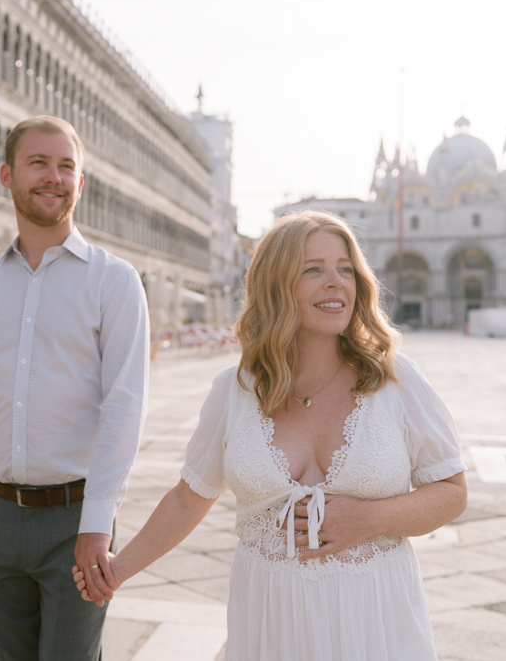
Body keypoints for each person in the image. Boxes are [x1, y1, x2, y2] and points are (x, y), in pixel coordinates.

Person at [74, 210, 468, 660]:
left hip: (374, 618)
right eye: (313, 270)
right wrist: (118, 570)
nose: (336, 282)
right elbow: (189, 498)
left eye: (346, 269)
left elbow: (452, 492)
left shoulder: (395, 380)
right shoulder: (234, 390)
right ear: (276, 285)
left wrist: (370, 519)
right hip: (269, 621)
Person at [0, 115, 150, 660]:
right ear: (6, 175)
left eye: (66, 166)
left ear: (81, 183)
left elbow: (125, 403)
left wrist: (98, 522)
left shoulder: (114, 280)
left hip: (74, 521)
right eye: (38, 163)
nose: (53, 177)